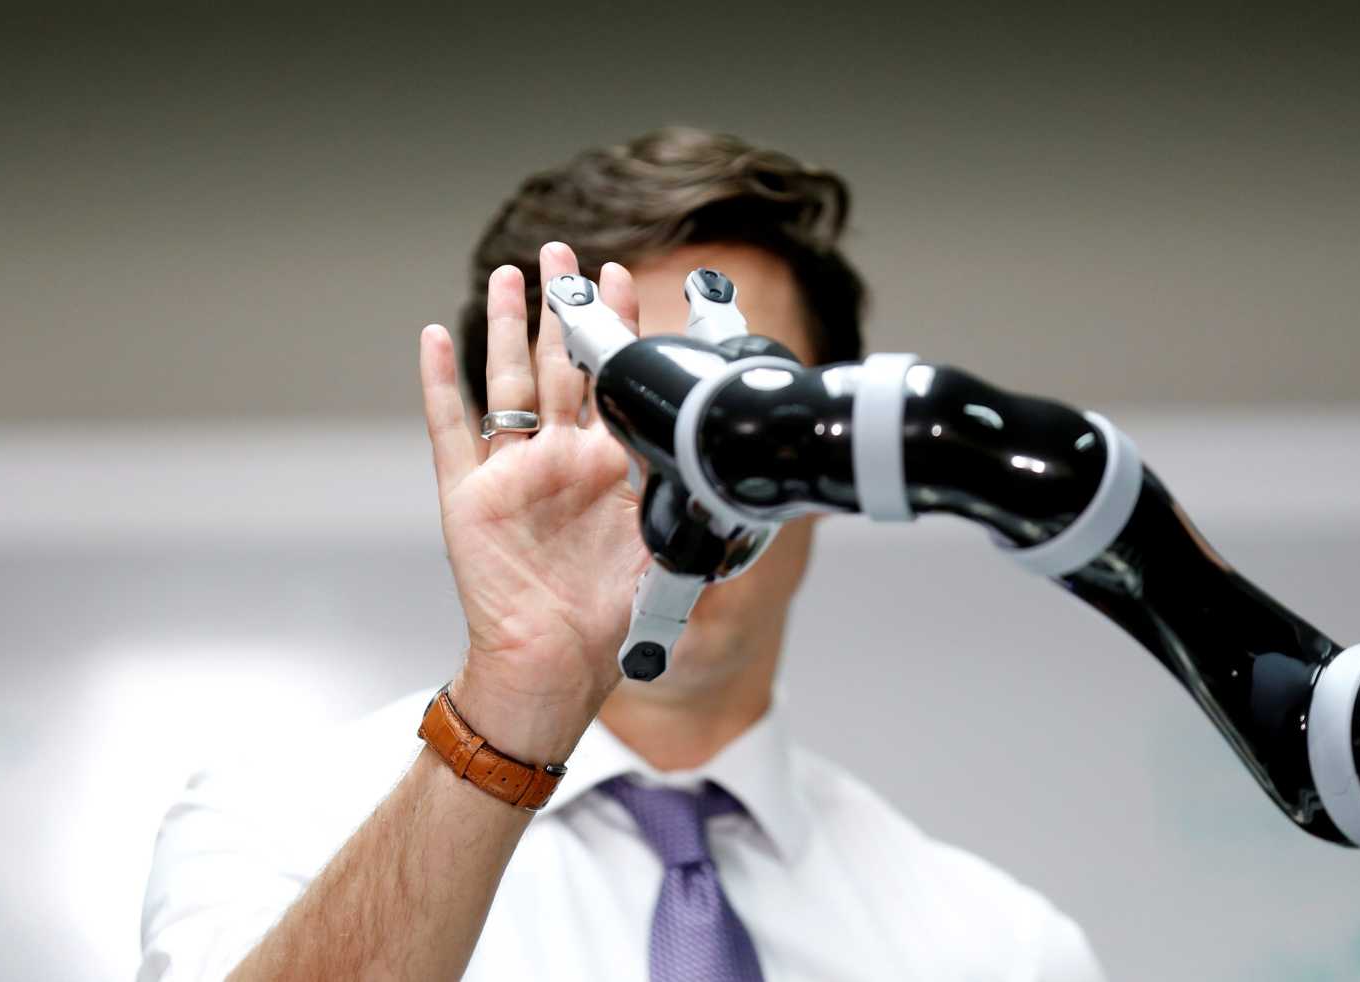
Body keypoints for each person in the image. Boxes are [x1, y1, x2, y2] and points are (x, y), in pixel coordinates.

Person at [138, 127, 1107, 982]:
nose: (674, 475)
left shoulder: (1002, 952)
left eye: (737, 414)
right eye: (617, 405)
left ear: (834, 457)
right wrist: (511, 717)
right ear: (502, 440)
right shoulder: (277, 826)